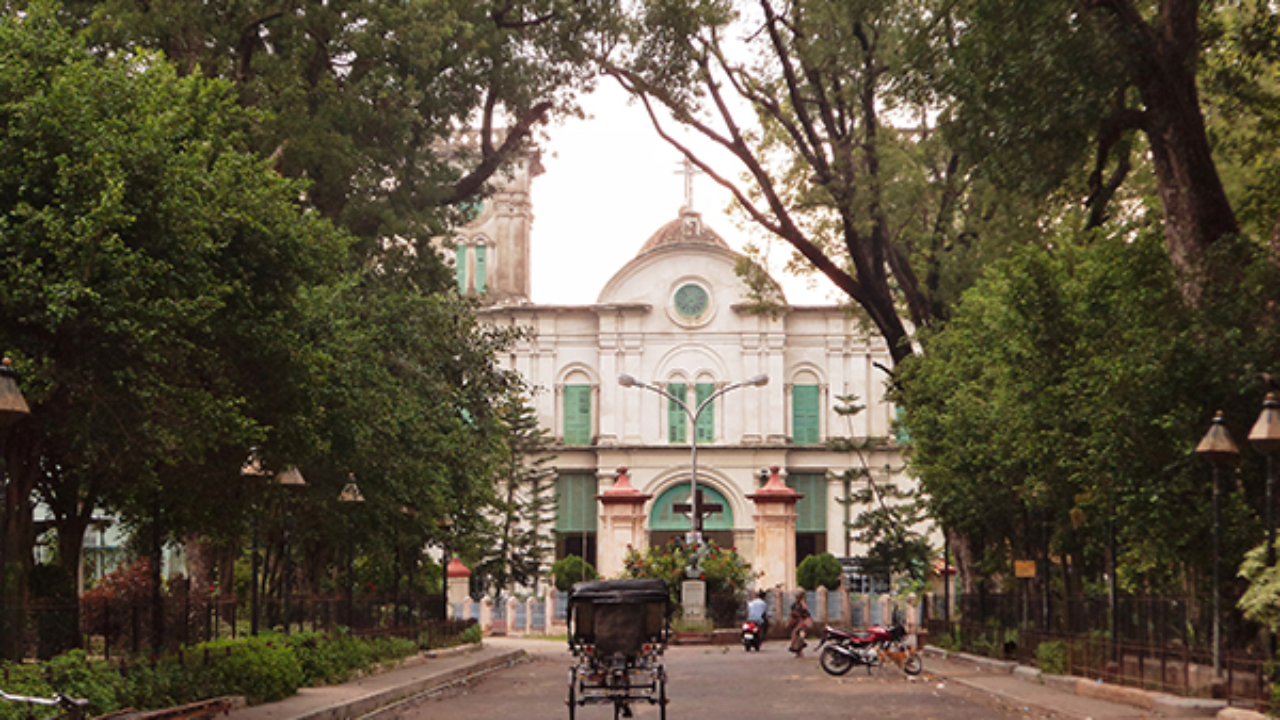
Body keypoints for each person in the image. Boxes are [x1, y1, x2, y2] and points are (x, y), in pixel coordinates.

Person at [787, 590, 811, 657]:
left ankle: (800, 650)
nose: (797, 599)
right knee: (795, 635)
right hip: (795, 622)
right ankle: (796, 650)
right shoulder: (794, 605)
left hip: (802, 622)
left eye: (798, 597)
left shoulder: (803, 605)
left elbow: (805, 614)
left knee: (800, 636)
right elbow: (791, 613)